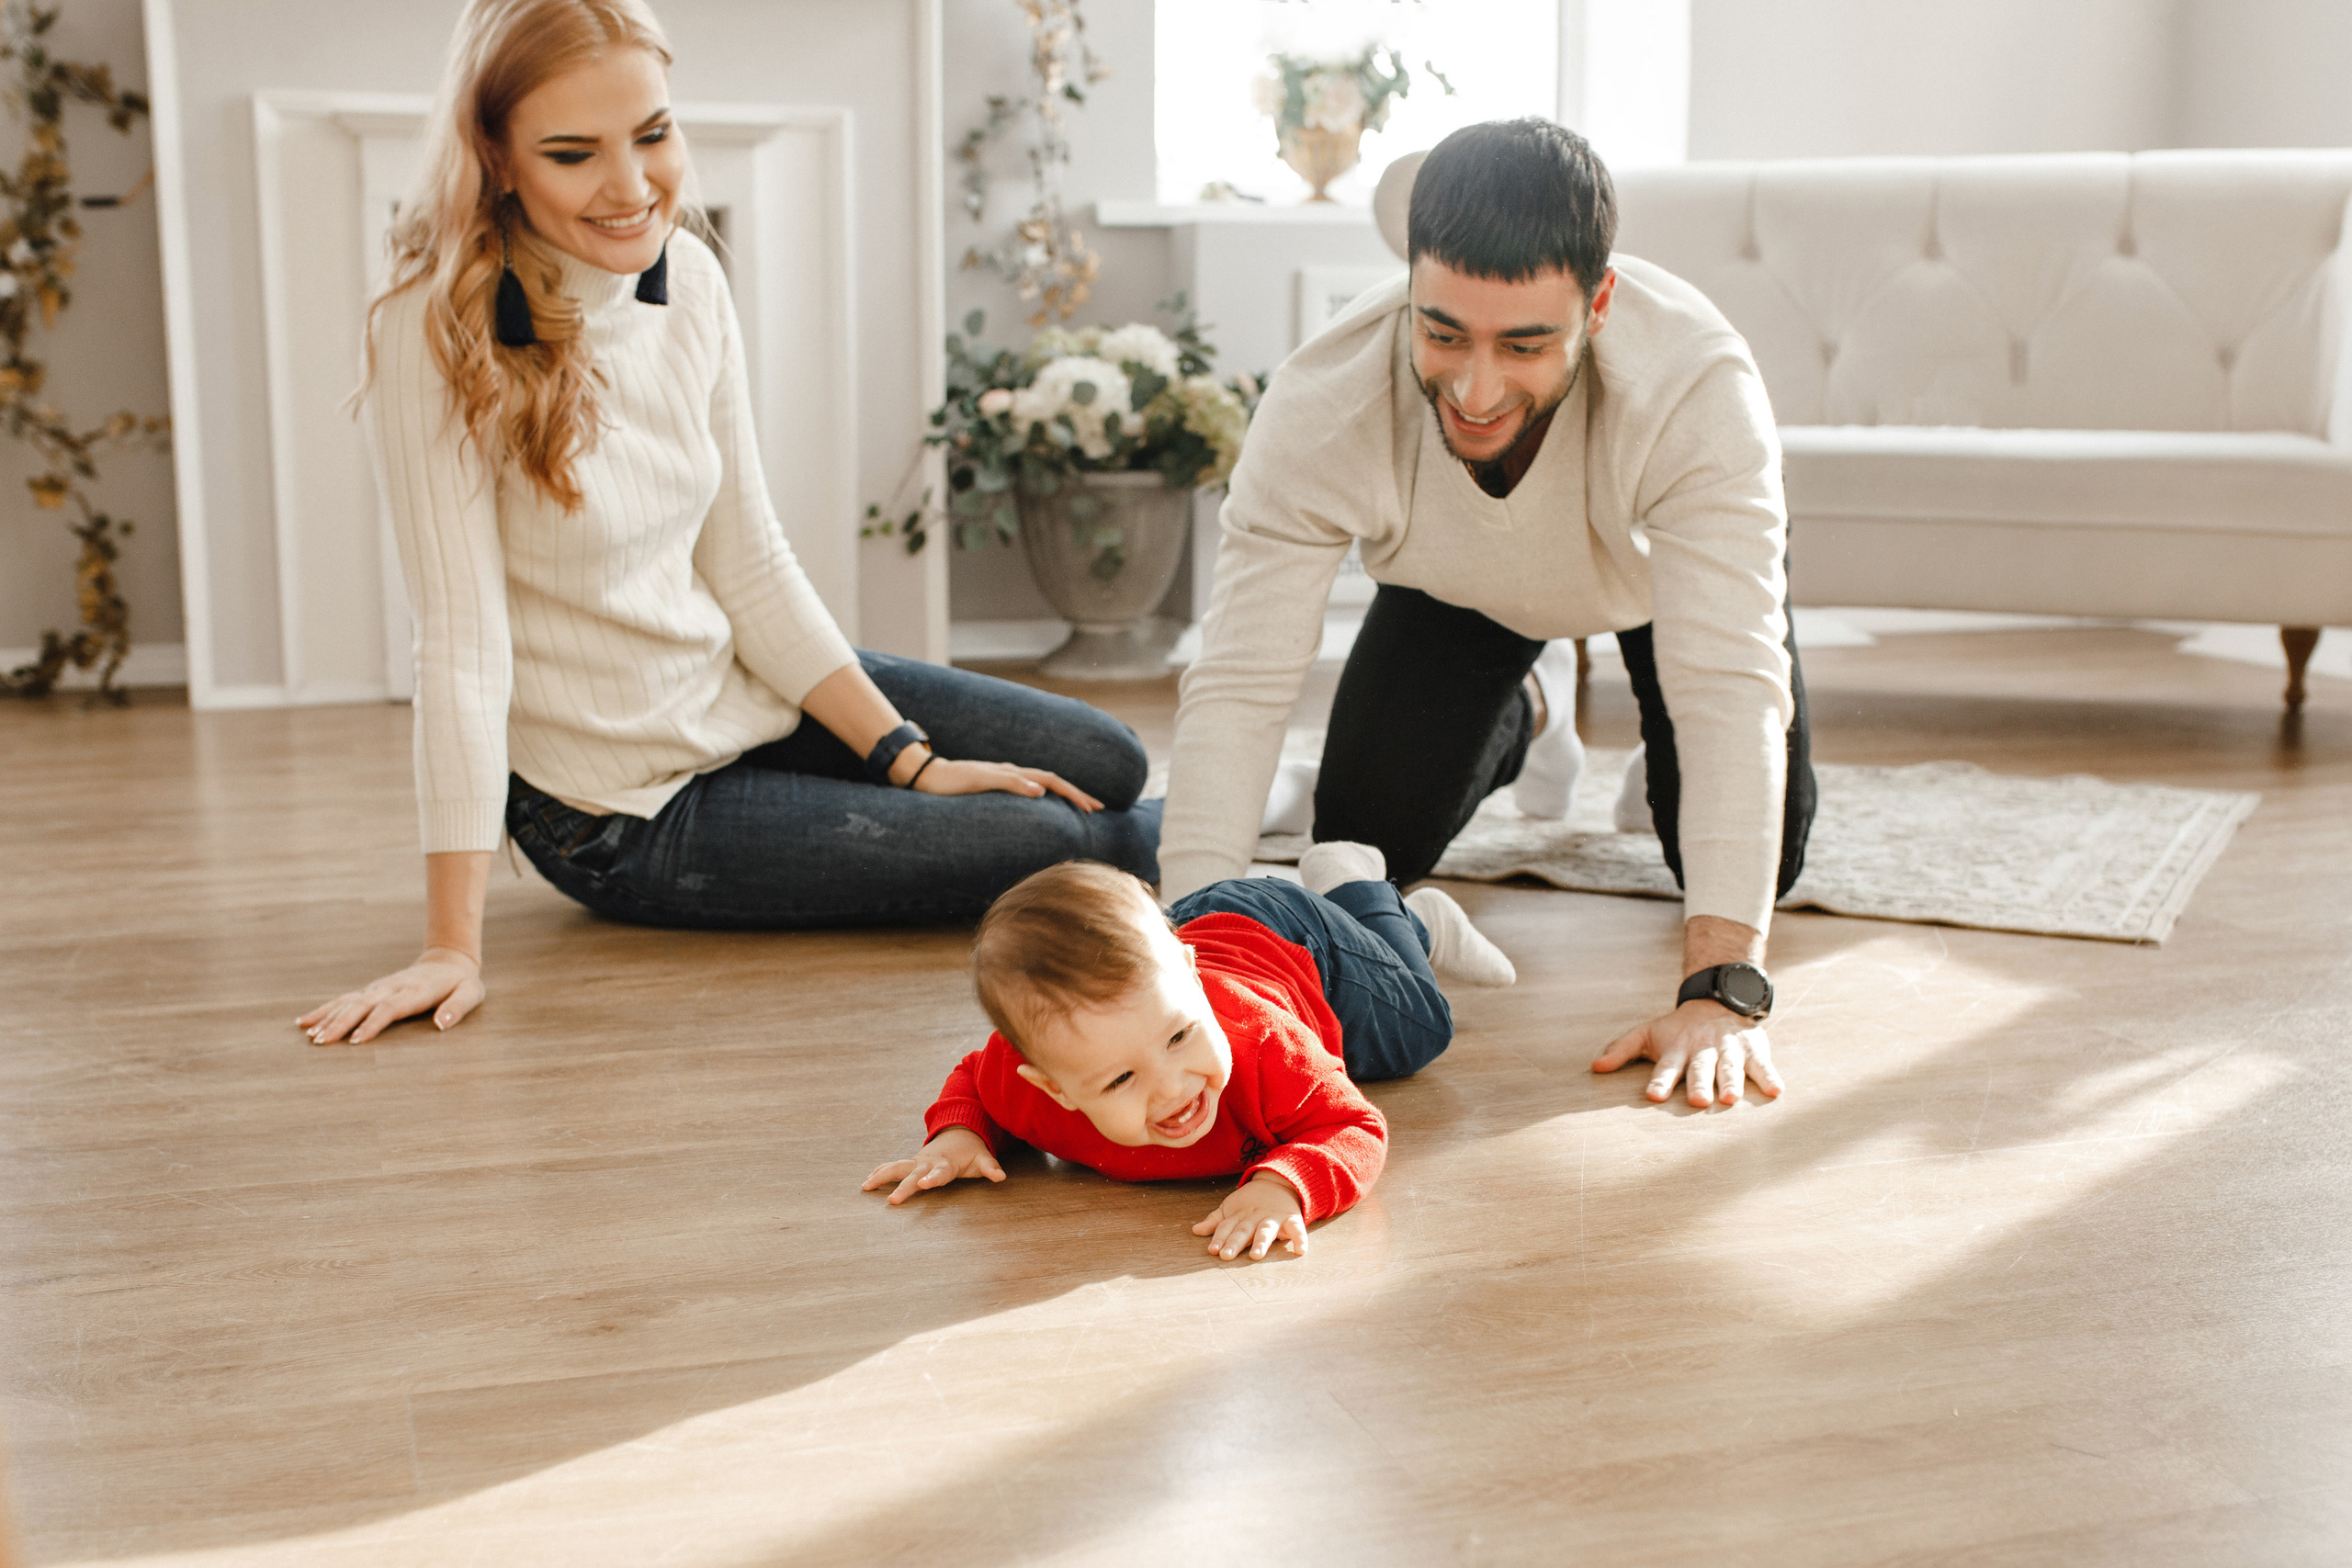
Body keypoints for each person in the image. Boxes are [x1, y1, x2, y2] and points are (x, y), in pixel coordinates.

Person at [300, 0, 1157, 1047]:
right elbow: (464, 648)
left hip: (734, 695)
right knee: (1080, 838)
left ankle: (1258, 833)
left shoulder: (690, 278)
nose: (630, 188)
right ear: (497, 158)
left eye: (652, 135)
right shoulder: (430, 335)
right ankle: (1283, 852)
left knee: (1106, 757)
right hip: (623, 810)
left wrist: (909, 760)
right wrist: (451, 947)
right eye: (574, 154)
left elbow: (747, 556)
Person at [1159, 118, 1816, 1111]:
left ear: (1598, 303)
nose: (1475, 389)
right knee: (1363, 843)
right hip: (1454, 584)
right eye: (1442, 332)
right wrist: (1191, 952)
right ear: (1411, 282)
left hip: (1655, 583)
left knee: (1755, 857)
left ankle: (1645, 749)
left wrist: (1721, 990)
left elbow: (1727, 690)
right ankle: (1536, 714)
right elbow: (1241, 682)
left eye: (1523, 344)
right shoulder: (1320, 404)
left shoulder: (1696, 385)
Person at [861, 847, 1512, 1262]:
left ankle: (1373, 896)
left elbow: (1353, 1124)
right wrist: (954, 1135)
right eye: (1120, 1078)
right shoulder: (1030, 1080)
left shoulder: (1263, 1045)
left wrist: (1286, 1182)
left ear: (1192, 978)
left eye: (1179, 1037)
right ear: (1055, 1089)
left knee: (1421, 1030)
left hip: (1289, 935)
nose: (1174, 1085)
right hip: (1176, 944)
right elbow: (977, 1076)